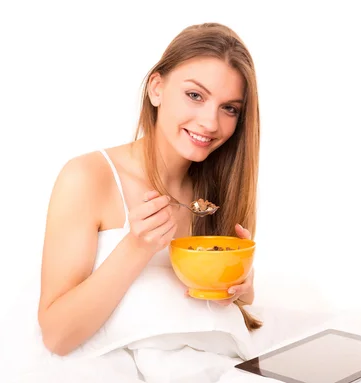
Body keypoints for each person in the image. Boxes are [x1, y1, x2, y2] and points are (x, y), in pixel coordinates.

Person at [37, 22, 263, 357]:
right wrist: (136, 247)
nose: (211, 123)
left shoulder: (215, 192)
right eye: (195, 96)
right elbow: (56, 337)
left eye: (229, 108)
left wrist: (241, 288)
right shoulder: (87, 178)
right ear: (156, 88)